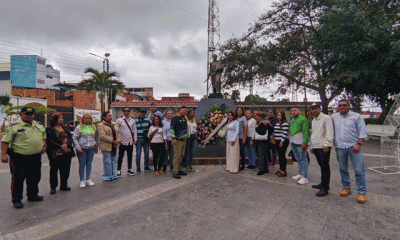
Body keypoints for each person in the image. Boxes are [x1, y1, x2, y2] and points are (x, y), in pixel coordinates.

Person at [1, 107, 46, 209]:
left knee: (34, 177)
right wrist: (3, 155)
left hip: (35, 157)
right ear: (21, 115)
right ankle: (16, 199)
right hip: (19, 158)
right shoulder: (14, 127)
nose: (29, 116)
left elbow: (44, 137)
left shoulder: (38, 125)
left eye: (31, 114)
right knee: (18, 179)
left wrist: (44, 146)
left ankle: (32, 195)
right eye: (26, 114)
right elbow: (5, 141)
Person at [331, 99, 368, 204]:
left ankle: (361, 192)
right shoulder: (334, 117)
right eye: (340, 105)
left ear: (349, 106)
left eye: (344, 105)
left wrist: (359, 144)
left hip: (354, 147)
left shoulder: (357, 117)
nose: (342, 107)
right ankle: (346, 187)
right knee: (343, 168)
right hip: (340, 147)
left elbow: (363, 132)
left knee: (359, 170)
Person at [46, 112, 75, 194]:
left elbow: (70, 137)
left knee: (65, 169)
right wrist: (60, 146)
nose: (61, 120)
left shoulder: (65, 128)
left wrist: (67, 145)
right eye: (59, 118)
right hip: (56, 152)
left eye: (62, 118)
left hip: (66, 152)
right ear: (54, 119)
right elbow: (50, 140)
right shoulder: (49, 129)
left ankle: (64, 185)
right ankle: (53, 187)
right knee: (54, 170)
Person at [309, 104, 334, 197]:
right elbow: (314, 133)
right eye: (312, 109)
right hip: (316, 146)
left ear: (320, 108)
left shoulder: (326, 118)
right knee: (321, 166)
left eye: (316, 108)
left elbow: (329, 132)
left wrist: (327, 144)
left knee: (325, 167)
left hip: (323, 146)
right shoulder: (314, 120)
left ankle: (325, 187)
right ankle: (322, 183)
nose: (314, 110)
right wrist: (312, 146)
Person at [73, 113, 99, 188]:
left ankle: (88, 179)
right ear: (83, 119)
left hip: (91, 148)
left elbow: (97, 137)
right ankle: (82, 180)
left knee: (89, 164)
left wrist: (96, 146)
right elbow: (75, 138)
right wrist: (78, 148)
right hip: (82, 149)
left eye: (89, 118)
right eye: (86, 118)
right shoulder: (79, 127)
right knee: (82, 165)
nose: (88, 120)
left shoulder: (93, 127)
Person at [98, 111, 121, 183]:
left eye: (111, 116)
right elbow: (102, 136)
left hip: (115, 146)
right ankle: (107, 176)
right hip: (106, 146)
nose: (110, 117)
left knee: (114, 161)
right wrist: (113, 141)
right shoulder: (100, 125)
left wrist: (117, 141)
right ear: (104, 117)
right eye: (108, 116)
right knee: (107, 161)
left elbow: (119, 133)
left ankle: (113, 175)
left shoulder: (114, 124)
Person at [290, 107, 311, 185]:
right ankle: (300, 173)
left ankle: (305, 177)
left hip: (300, 143)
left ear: (299, 111)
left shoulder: (303, 119)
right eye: (292, 111)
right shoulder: (292, 120)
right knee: (298, 159)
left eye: (295, 110)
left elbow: (306, 131)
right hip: (293, 143)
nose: (293, 112)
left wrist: (305, 142)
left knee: (303, 159)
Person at [116, 107, 137, 177]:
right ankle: (118, 170)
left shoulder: (132, 121)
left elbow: (134, 130)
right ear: (123, 112)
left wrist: (135, 139)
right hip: (122, 141)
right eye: (125, 111)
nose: (126, 112)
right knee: (120, 156)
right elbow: (117, 130)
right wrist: (118, 140)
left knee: (130, 156)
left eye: (128, 111)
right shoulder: (119, 120)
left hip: (130, 141)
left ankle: (129, 169)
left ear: (129, 112)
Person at [170, 106, 189, 179]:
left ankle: (180, 169)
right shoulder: (175, 118)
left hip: (183, 140)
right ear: (179, 110)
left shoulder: (184, 118)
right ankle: (175, 172)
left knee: (181, 156)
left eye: (185, 111)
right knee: (177, 157)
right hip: (177, 140)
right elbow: (172, 128)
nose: (185, 112)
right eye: (183, 110)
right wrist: (173, 138)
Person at [135, 109, 151, 173]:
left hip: (146, 139)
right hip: (138, 138)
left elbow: (150, 128)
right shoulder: (135, 120)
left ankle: (146, 166)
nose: (142, 114)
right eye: (141, 112)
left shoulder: (148, 120)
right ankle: (138, 168)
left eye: (143, 113)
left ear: (145, 113)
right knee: (138, 154)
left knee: (147, 153)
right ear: (139, 112)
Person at [274, 111, 290, 177]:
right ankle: (280, 168)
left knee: (282, 156)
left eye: (280, 115)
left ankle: (284, 170)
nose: (279, 117)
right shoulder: (277, 123)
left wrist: (282, 141)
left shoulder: (285, 123)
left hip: (283, 141)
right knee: (280, 156)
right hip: (277, 141)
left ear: (283, 116)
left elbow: (284, 133)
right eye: (278, 115)